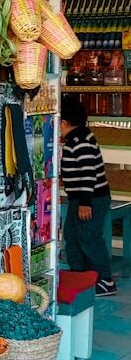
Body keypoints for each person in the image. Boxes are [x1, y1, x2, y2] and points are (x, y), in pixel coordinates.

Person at [60, 96, 115, 296]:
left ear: (64, 123)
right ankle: (80, 276)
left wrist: (85, 203)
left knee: (89, 238)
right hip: (80, 199)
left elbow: (88, 173)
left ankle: (104, 279)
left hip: (90, 200)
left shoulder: (80, 141)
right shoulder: (77, 138)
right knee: (73, 237)